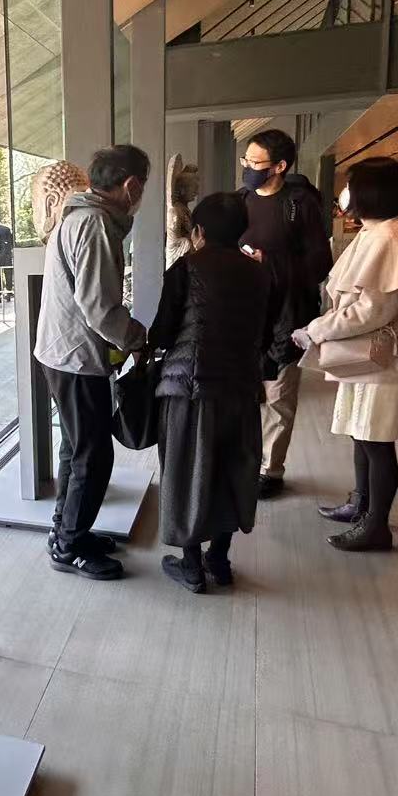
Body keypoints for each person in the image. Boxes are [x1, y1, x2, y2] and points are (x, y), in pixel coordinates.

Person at [292, 156, 398, 553]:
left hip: (380, 358)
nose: (345, 193)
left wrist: (316, 330)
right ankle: (361, 504)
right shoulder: (375, 232)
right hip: (365, 358)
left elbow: (372, 310)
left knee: (376, 440)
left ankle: (376, 525)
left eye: (351, 185)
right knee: (362, 433)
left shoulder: (388, 238)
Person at [148, 193, 285, 593]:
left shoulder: (185, 268)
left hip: (189, 390)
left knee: (186, 472)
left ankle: (191, 565)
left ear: (199, 231)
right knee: (232, 470)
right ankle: (219, 560)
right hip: (241, 390)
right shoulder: (261, 274)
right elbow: (266, 334)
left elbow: (163, 333)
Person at [34, 144, 150, 578]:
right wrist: (136, 337)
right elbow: (99, 308)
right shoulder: (95, 223)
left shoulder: (79, 216)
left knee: (76, 447)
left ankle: (67, 531)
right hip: (76, 357)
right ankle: (69, 546)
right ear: (131, 185)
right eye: (142, 187)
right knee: (93, 455)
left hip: (63, 353)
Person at [238, 129, 332, 500]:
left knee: (278, 395)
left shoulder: (299, 205)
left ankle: (270, 470)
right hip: (247, 314)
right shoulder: (241, 200)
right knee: (246, 393)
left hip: (287, 313)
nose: (248, 168)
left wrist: (270, 263)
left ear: (279, 166)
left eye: (255, 162)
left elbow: (320, 263)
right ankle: (245, 461)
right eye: (246, 160)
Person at [0, 212, 15, 305]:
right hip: (7, 254)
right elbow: (11, 242)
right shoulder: (6, 229)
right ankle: (8, 292)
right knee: (8, 274)